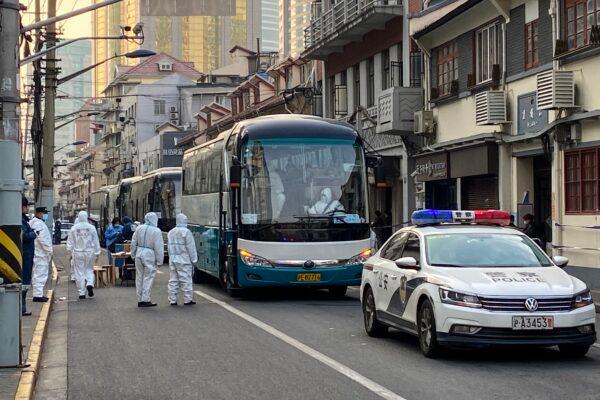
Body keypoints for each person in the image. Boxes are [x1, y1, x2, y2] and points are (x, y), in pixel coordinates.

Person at [130, 212, 164, 307]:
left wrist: (133, 254)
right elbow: (159, 247)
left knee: (139, 276)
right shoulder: (156, 231)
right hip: (149, 254)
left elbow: (133, 242)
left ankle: (139, 299)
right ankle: (146, 299)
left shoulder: (139, 228)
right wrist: (160, 260)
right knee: (148, 277)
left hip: (139, 252)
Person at [66, 211, 101, 300]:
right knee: (89, 269)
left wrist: (69, 250)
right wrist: (97, 252)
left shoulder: (74, 228)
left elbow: (70, 242)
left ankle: (81, 292)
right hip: (89, 252)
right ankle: (89, 283)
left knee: (79, 272)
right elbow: (96, 241)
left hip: (78, 252)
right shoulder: (91, 228)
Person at [167, 213, 198, 306]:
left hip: (173, 259)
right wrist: (194, 260)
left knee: (173, 280)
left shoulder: (171, 232)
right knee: (186, 280)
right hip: (184, 259)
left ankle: (172, 300)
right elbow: (191, 247)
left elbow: (169, 247)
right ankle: (187, 299)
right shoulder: (186, 232)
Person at [29, 206, 53, 302]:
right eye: (44, 213)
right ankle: (38, 295)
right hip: (40, 253)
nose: (46, 215)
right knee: (40, 274)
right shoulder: (38, 224)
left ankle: (38, 293)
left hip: (38, 253)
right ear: (39, 213)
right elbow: (43, 239)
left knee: (38, 273)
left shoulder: (34, 223)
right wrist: (49, 251)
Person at [21, 196, 36, 316]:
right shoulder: (20, 221)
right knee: (24, 281)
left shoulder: (23, 220)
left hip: (27, 255)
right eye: (26, 206)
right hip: (24, 256)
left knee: (25, 282)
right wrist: (34, 234)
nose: (27, 208)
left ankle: (22, 307)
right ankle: (22, 308)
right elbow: (24, 236)